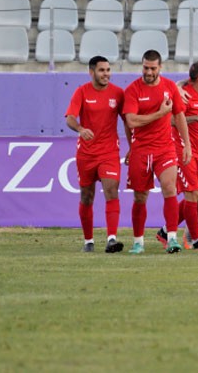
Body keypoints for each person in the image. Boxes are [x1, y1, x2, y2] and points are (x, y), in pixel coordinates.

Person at [123, 49, 191, 254]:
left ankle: (171, 238)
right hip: (141, 150)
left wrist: (187, 144)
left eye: (153, 68)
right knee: (140, 197)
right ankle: (138, 242)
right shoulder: (133, 90)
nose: (149, 71)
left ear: (160, 67)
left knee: (169, 189)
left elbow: (179, 116)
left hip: (165, 148)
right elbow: (132, 121)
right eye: (146, 67)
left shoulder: (170, 87)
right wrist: (160, 113)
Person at [65, 56, 131, 253]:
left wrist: (133, 146)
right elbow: (70, 118)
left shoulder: (118, 93)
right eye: (102, 70)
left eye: (108, 70)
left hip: (109, 152)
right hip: (86, 154)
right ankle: (88, 241)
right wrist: (80, 129)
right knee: (87, 196)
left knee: (111, 191)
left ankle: (112, 238)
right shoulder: (82, 91)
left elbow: (128, 120)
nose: (106, 74)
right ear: (91, 72)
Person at [155, 61, 198, 251]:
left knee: (196, 196)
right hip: (181, 148)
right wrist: (197, 118)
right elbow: (172, 120)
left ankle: (165, 231)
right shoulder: (185, 95)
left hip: (197, 150)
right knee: (191, 195)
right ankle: (195, 240)